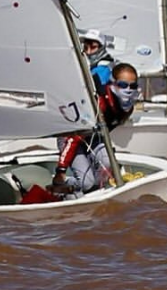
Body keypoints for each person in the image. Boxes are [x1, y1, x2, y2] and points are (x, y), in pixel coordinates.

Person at [28, 62, 143, 202]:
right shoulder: (98, 104)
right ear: (112, 83)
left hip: (92, 138)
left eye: (133, 86)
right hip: (71, 137)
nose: (128, 90)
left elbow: (106, 131)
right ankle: (60, 188)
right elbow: (73, 138)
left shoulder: (127, 108)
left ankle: (94, 193)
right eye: (123, 85)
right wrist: (61, 170)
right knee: (86, 182)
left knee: (108, 164)